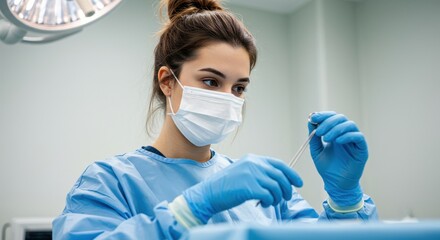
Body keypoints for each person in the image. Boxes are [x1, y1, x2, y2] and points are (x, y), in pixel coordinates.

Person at [52, 0, 377, 239]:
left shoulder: (265, 188)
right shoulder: (111, 182)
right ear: (167, 81)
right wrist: (194, 207)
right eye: (210, 81)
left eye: (238, 87)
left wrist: (345, 199)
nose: (226, 97)